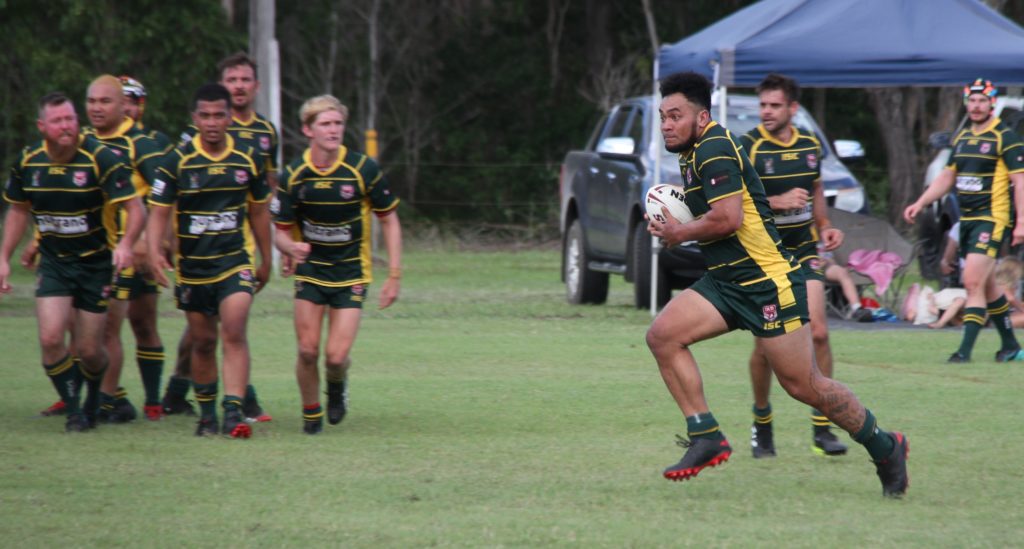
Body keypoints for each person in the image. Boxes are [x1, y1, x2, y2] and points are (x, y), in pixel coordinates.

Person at [645, 72, 908, 497]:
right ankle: (706, 435)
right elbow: (715, 210)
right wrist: (670, 213)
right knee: (663, 336)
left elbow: (728, 218)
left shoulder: (713, 147)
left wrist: (679, 233)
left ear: (702, 116)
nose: (667, 125)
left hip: (767, 282)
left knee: (804, 385)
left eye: (675, 116)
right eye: (662, 117)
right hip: (726, 280)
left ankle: (885, 446)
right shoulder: (693, 153)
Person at [0, 92, 144, 431]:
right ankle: (76, 410)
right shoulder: (28, 161)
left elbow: (136, 208)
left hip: (95, 265)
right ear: (42, 126)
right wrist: (3, 258)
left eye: (70, 119)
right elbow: (18, 210)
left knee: (90, 350)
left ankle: (93, 399)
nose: (66, 126)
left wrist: (126, 244)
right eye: (58, 121)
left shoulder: (100, 158)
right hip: (54, 264)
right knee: (51, 341)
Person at [147, 83, 272, 437]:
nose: (213, 122)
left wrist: (267, 258)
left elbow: (259, 211)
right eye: (205, 116)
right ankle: (206, 415)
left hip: (234, 262)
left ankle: (232, 411)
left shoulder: (248, 158)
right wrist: (154, 252)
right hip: (193, 268)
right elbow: (159, 211)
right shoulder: (177, 160)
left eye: (219, 115)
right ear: (195, 118)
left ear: (230, 117)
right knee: (203, 341)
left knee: (234, 329)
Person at [273, 95, 402, 434]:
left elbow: (389, 220)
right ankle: (311, 416)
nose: (333, 130)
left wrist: (394, 274)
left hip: (351, 273)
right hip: (311, 272)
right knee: (307, 350)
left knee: (335, 356)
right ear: (308, 130)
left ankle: (336, 386)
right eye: (325, 124)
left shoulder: (362, 169)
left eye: (338, 124)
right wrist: (290, 247)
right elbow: (280, 232)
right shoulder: (294, 175)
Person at [738, 73, 848, 458]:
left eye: (774, 105)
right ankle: (762, 421)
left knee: (819, 333)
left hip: (802, 250)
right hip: (764, 257)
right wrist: (777, 202)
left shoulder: (809, 143)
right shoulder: (748, 146)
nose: (766, 112)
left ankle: (823, 427)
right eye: (763, 105)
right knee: (766, 346)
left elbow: (816, 189)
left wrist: (826, 224)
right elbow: (735, 202)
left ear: (793, 108)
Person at [903, 78, 1024, 363]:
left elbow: (1020, 181)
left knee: (971, 282)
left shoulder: (1004, 137)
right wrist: (921, 202)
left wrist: (1021, 222)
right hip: (967, 221)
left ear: (992, 103)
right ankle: (1010, 346)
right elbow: (947, 177)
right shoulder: (963, 137)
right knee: (988, 286)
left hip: (991, 220)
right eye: (972, 101)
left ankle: (963, 352)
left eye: (982, 101)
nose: (976, 106)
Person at [83, 75, 171, 423]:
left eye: (133, 102)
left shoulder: (145, 144)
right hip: (94, 251)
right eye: (94, 101)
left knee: (139, 322)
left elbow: (165, 196)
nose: (129, 108)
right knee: (93, 328)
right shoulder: (84, 140)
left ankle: (146, 401)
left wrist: (157, 243)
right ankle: (110, 398)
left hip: (133, 250)